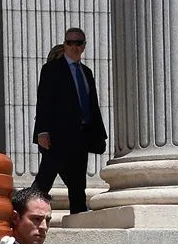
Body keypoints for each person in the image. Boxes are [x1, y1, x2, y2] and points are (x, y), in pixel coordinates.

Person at [31, 27, 107, 214]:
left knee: (78, 184)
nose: (73, 46)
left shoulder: (87, 73)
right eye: (69, 42)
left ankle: (78, 219)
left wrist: (99, 135)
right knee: (45, 179)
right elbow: (44, 102)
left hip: (81, 136)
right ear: (64, 44)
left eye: (78, 43)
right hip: (57, 136)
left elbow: (92, 106)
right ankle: (25, 211)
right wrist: (42, 131)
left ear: (83, 46)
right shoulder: (51, 70)